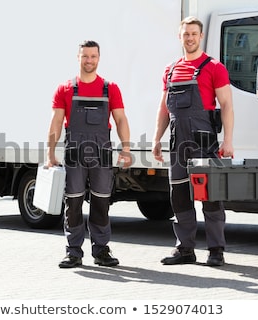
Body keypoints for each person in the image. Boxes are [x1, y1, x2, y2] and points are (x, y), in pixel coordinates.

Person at [152, 16, 234, 266]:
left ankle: (216, 250)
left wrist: (228, 140)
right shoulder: (171, 69)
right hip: (178, 141)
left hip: (204, 139)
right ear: (180, 37)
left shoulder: (214, 67)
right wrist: (157, 139)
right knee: (179, 194)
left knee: (210, 195)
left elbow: (227, 105)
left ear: (200, 37)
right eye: (185, 34)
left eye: (193, 34)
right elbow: (165, 108)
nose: (189, 38)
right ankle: (185, 249)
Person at [47, 40, 132, 269]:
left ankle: (101, 250)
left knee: (101, 201)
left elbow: (121, 119)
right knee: (73, 201)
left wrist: (126, 148)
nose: (89, 60)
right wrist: (50, 152)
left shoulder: (109, 87)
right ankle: (73, 252)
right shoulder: (65, 88)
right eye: (85, 56)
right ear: (78, 57)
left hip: (102, 151)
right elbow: (56, 122)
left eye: (93, 56)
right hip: (75, 150)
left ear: (99, 58)